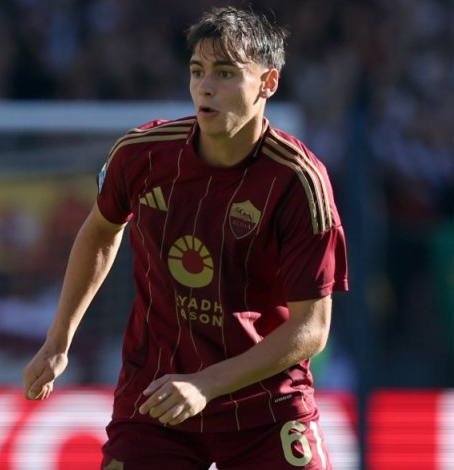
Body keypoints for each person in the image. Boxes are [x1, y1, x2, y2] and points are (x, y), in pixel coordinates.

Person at [23, 6, 348, 469]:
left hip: (265, 406)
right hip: (156, 398)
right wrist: (58, 341)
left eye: (226, 73)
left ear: (268, 83)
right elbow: (100, 230)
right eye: (198, 71)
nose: (205, 86)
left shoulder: (299, 182)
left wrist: (205, 384)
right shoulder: (141, 155)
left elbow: (311, 328)